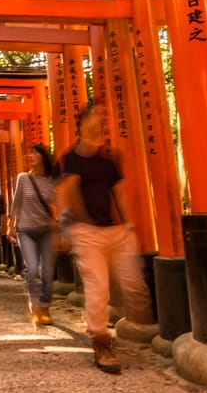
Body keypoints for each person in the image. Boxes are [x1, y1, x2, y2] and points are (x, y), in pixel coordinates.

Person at [58, 105, 154, 374]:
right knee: (98, 288)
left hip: (115, 230)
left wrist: (129, 225)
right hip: (87, 233)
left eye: (104, 116)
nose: (101, 120)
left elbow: (119, 193)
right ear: (82, 123)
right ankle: (101, 341)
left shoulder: (110, 158)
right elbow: (70, 191)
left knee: (133, 282)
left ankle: (124, 322)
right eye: (95, 116)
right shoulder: (72, 158)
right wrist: (72, 228)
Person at [9, 144, 60, 326]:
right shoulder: (23, 178)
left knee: (47, 271)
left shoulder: (52, 180)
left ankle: (45, 305)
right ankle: (35, 304)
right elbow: (16, 202)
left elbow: (59, 204)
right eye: (30, 152)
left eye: (35, 152)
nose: (31, 155)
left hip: (46, 230)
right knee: (32, 268)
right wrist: (10, 225)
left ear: (44, 157)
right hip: (26, 230)